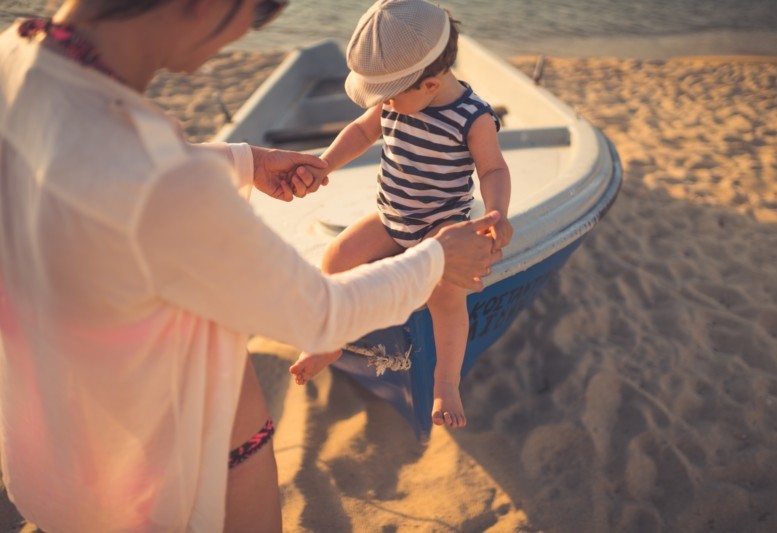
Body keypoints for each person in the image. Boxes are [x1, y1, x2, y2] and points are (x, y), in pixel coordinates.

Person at [0, 0, 503, 531]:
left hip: (53, 455)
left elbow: (95, 160)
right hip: (185, 468)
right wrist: (437, 258)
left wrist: (245, 161)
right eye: (260, 12)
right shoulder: (164, 183)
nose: (248, 31)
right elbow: (321, 315)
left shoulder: (14, 57)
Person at [288, 0, 513, 430]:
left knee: (446, 294)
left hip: (440, 225)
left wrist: (498, 211)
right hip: (393, 216)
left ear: (429, 84)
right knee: (335, 260)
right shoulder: (396, 101)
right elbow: (360, 131)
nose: (383, 104)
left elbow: (493, 168)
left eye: (389, 95)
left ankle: (446, 382)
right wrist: (325, 164)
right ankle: (332, 340)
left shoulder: (472, 118)